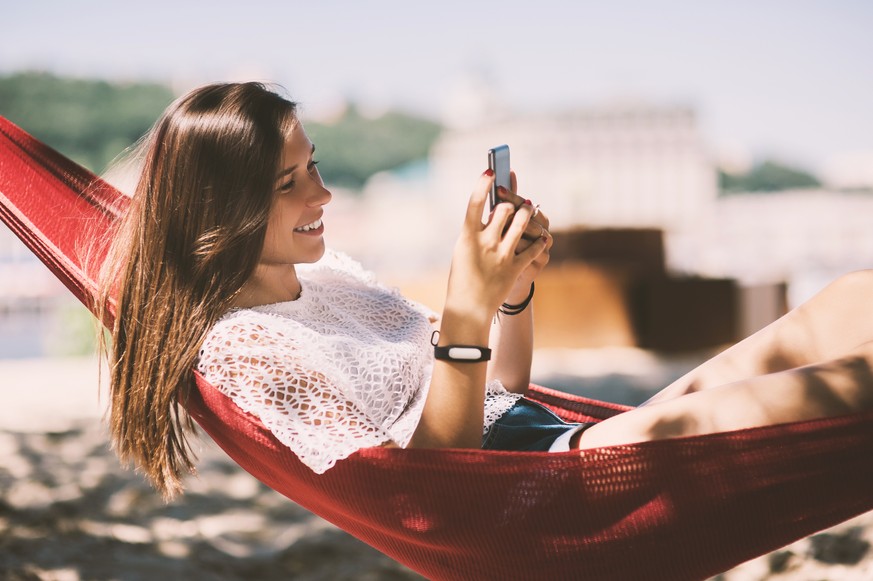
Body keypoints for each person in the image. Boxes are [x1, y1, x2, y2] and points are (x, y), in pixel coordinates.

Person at [99, 81, 873, 499]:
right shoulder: (242, 349)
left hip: (574, 442)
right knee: (849, 390)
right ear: (224, 210)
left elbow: (500, 387)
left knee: (849, 299)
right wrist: (464, 310)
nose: (323, 195)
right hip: (558, 487)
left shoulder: (329, 280)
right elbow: (434, 487)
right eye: (290, 182)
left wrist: (510, 295)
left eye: (316, 166)